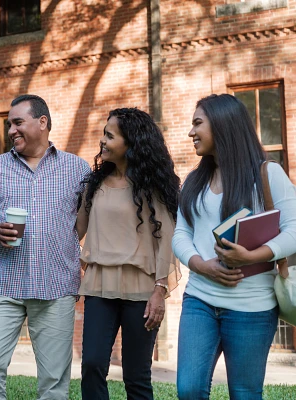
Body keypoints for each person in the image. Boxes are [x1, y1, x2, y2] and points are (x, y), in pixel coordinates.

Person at [0, 94, 91, 400]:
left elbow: (83, 221)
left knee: (54, 378)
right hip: (4, 283)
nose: (10, 130)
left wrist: (67, 247)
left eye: (18, 122)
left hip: (55, 285)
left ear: (42, 122)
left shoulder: (77, 168)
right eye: (9, 124)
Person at [172, 94, 296, 399]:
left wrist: (253, 256)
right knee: (188, 389)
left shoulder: (267, 174)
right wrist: (201, 265)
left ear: (223, 124)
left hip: (252, 307)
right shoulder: (194, 180)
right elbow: (180, 233)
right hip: (199, 299)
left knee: (244, 393)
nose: (191, 132)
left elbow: (293, 228)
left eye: (197, 123)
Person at [76, 108, 181, 400]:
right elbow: (75, 230)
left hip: (142, 290)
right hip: (98, 286)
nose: (103, 141)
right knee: (93, 365)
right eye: (104, 134)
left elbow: (168, 240)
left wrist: (160, 289)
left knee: (136, 375)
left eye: (110, 135)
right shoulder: (93, 184)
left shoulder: (153, 186)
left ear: (131, 142)